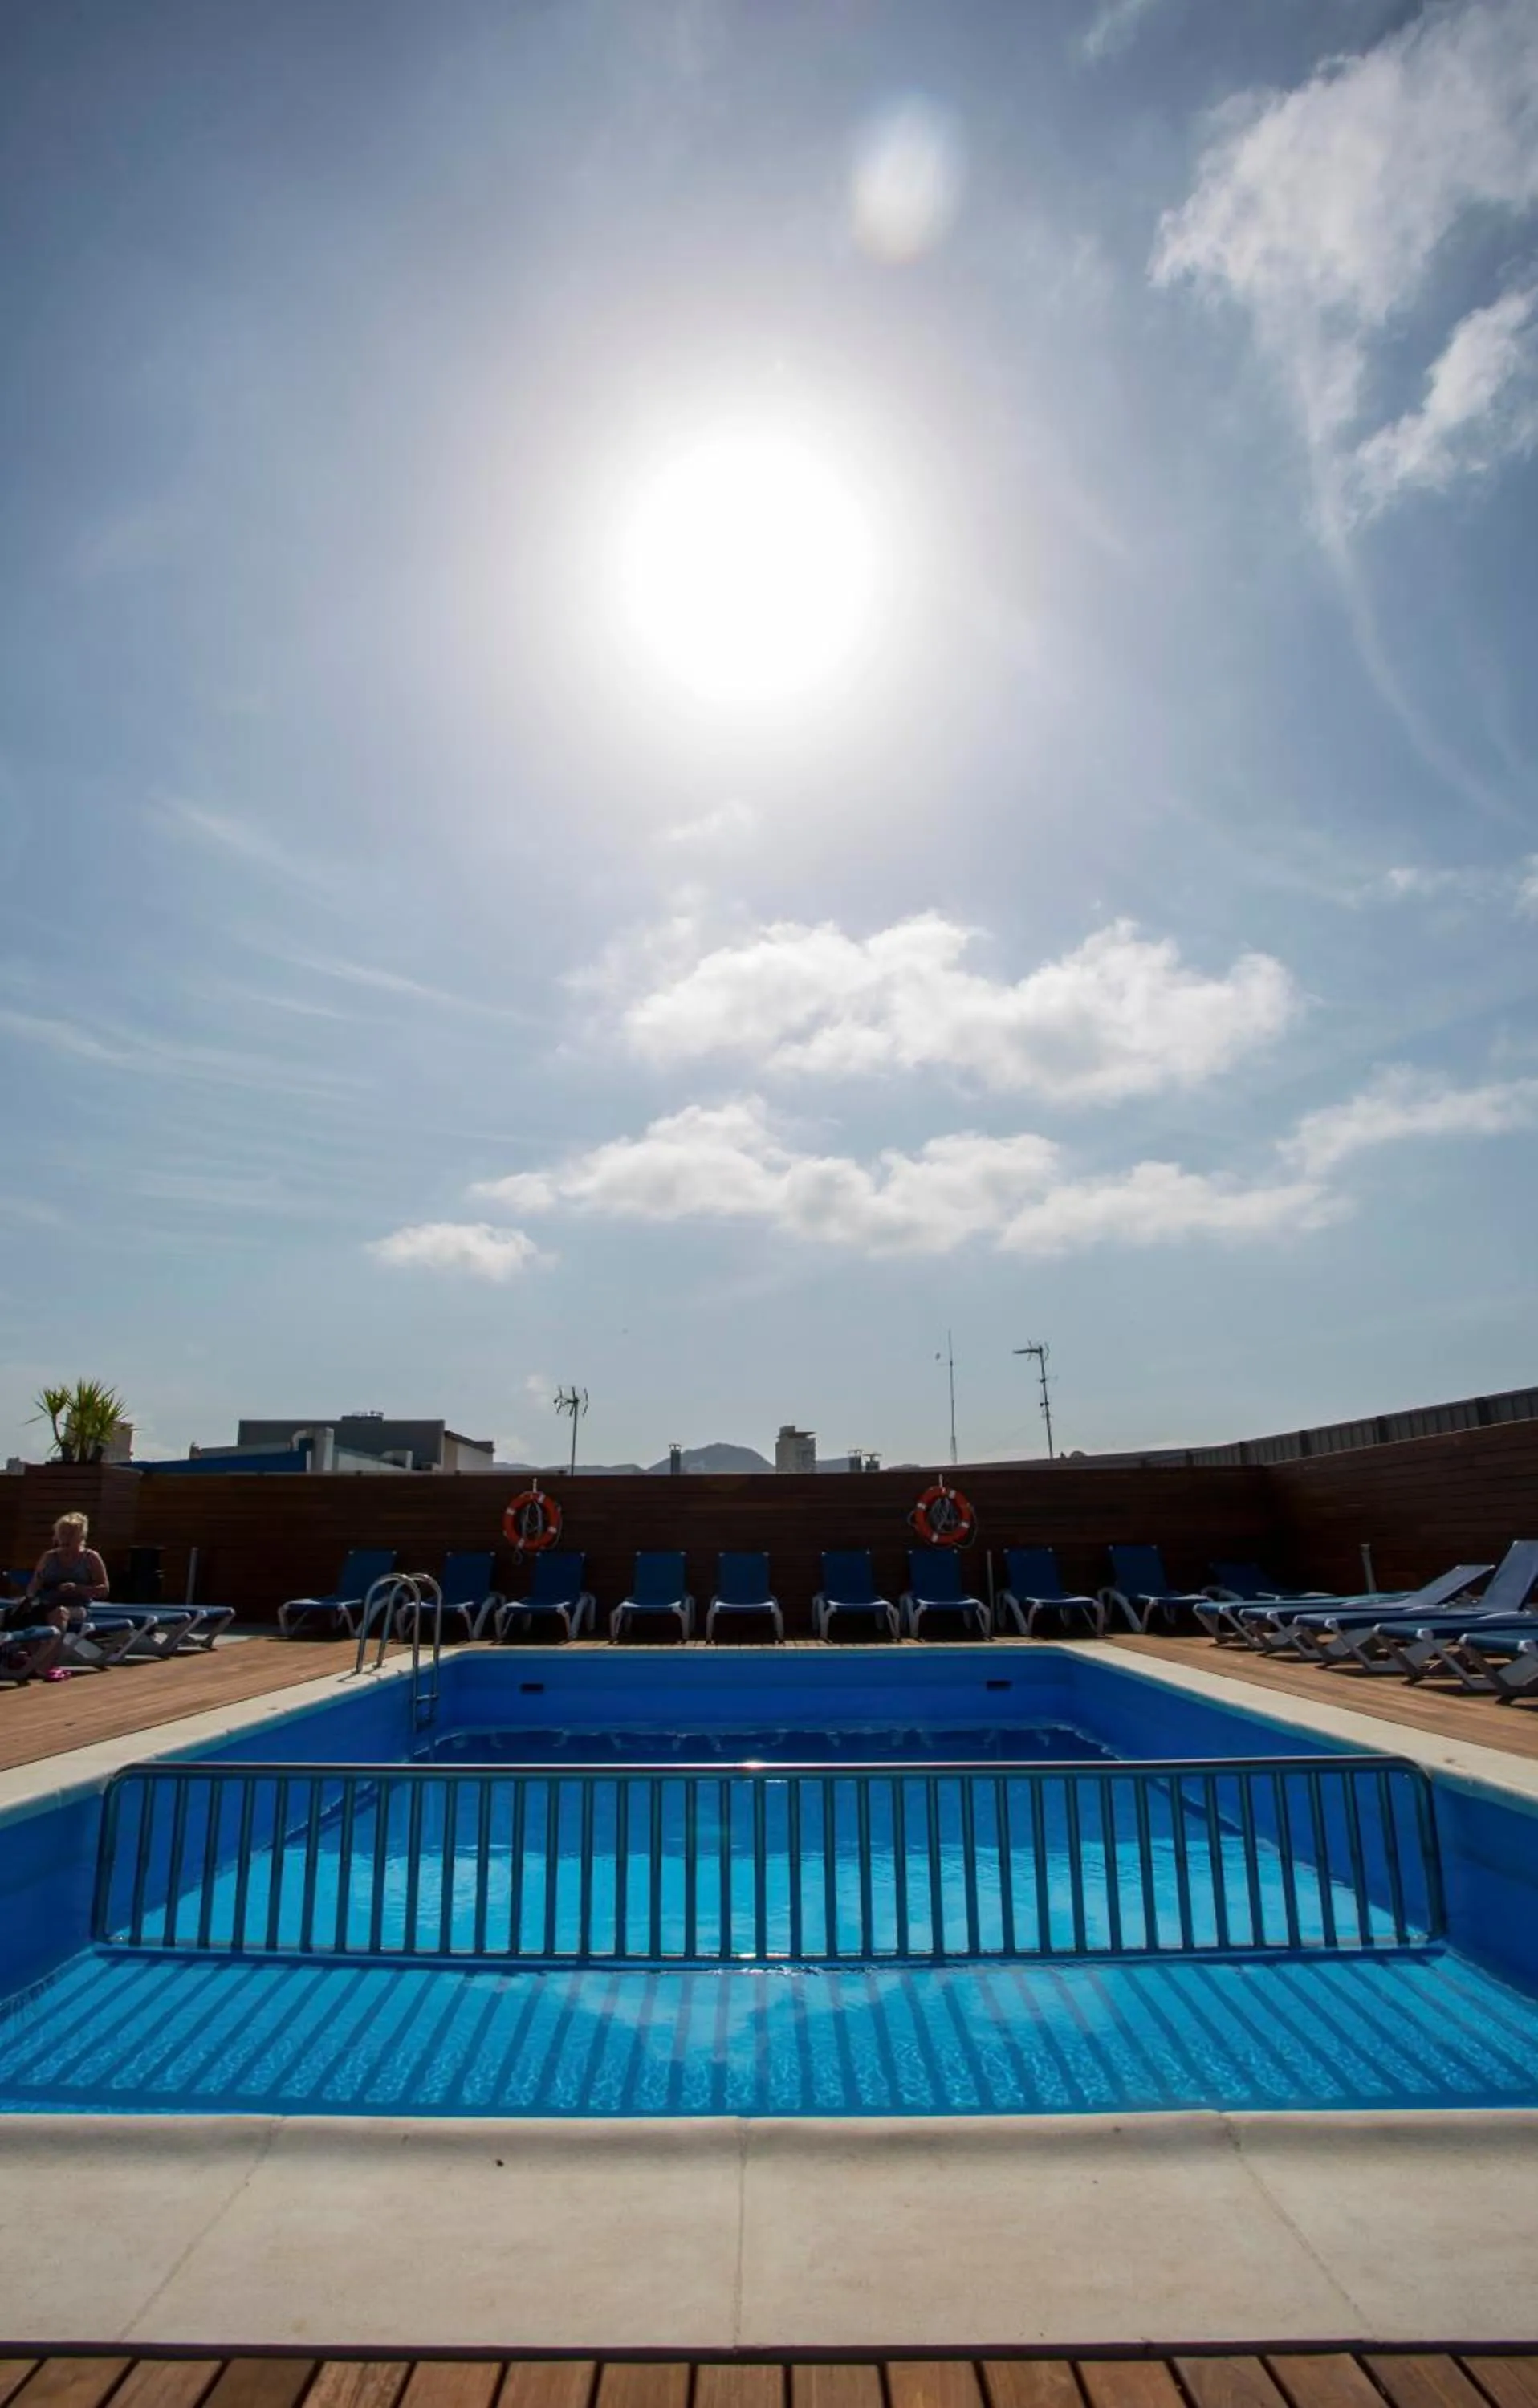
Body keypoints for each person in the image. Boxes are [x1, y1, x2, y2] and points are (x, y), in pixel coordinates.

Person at [23, 1511, 112, 1680]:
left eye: (70, 1534)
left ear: (80, 1536)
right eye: (62, 1533)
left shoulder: (91, 1558)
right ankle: (32, 1661)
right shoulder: (49, 1557)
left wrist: (78, 1588)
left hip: (77, 1607)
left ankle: (45, 1666)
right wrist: (31, 1595)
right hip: (47, 1602)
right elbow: (35, 1583)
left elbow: (104, 1589)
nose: (65, 1538)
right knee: (25, 1614)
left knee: (60, 1613)